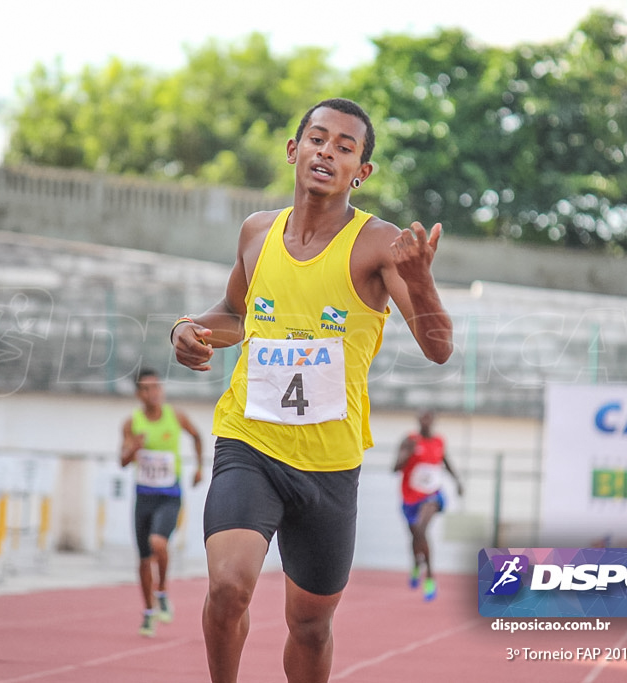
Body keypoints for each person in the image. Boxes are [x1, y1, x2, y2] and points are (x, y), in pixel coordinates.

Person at [170, 97, 453, 683]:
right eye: (318, 139)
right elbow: (233, 312)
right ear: (295, 150)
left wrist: (421, 283)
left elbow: (438, 347)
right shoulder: (257, 232)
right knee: (228, 586)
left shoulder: (378, 244)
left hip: (329, 463)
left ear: (361, 172)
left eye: (345, 147)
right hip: (249, 443)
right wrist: (189, 329)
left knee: (310, 625)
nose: (328, 151)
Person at [119, 367, 204, 637]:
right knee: (144, 559)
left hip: (169, 495)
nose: (153, 392)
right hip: (144, 496)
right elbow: (122, 461)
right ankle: (148, 612)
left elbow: (197, 436)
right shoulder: (131, 423)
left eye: (156, 387)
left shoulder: (175, 416)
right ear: (138, 394)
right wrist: (134, 448)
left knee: (159, 543)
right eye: (146, 388)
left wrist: (199, 467)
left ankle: (163, 589)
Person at [393, 409, 463, 601]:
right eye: (422, 418)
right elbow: (395, 468)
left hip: (432, 495)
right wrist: (407, 454)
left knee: (421, 530)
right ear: (418, 420)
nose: (425, 422)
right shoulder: (409, 440)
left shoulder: (439, 441)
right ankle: (417, 563)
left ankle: (430, 576)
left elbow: (446, 461)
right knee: (415, 534)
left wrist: (457, 481)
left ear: (433, 421)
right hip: (410, 498)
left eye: (429, 419)